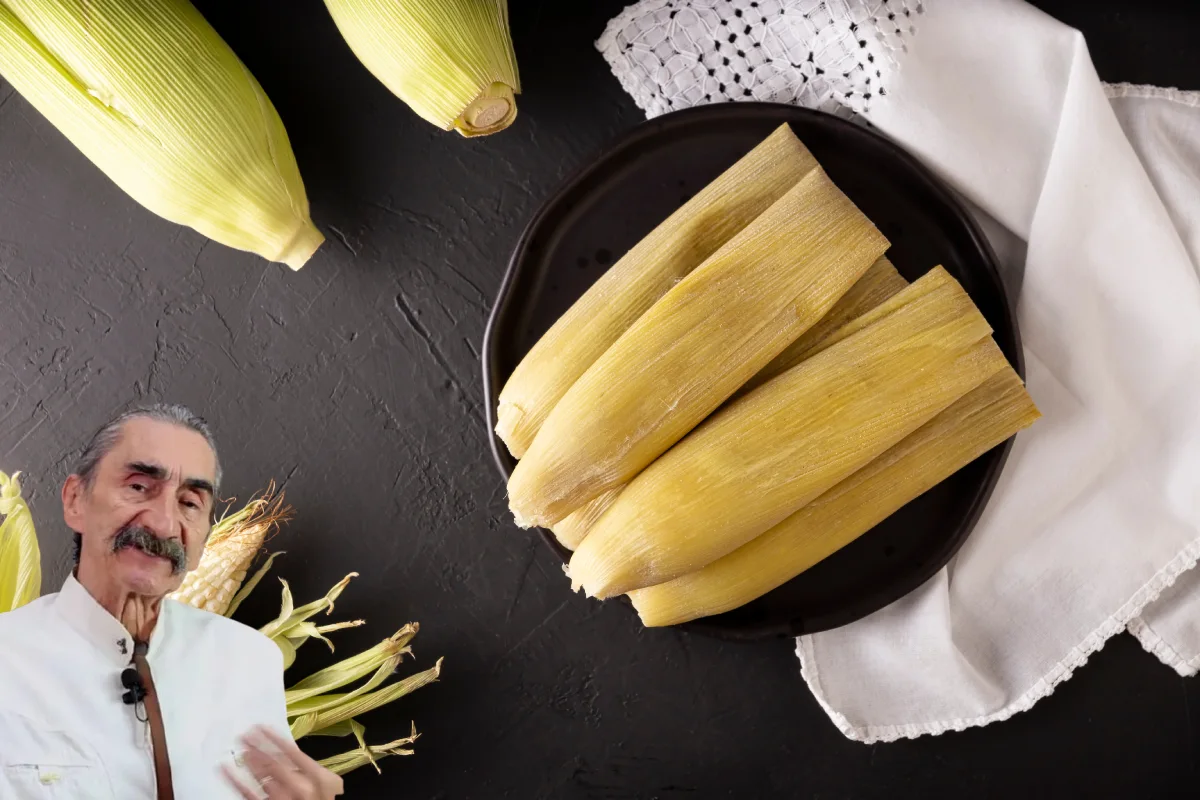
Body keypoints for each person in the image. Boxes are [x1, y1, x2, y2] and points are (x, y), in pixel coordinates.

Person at [0, 404, 343, 799]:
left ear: (202, 542)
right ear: (76, 500)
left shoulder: (251, 661)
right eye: (139, 487)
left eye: (190, 503)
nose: (163, 524)